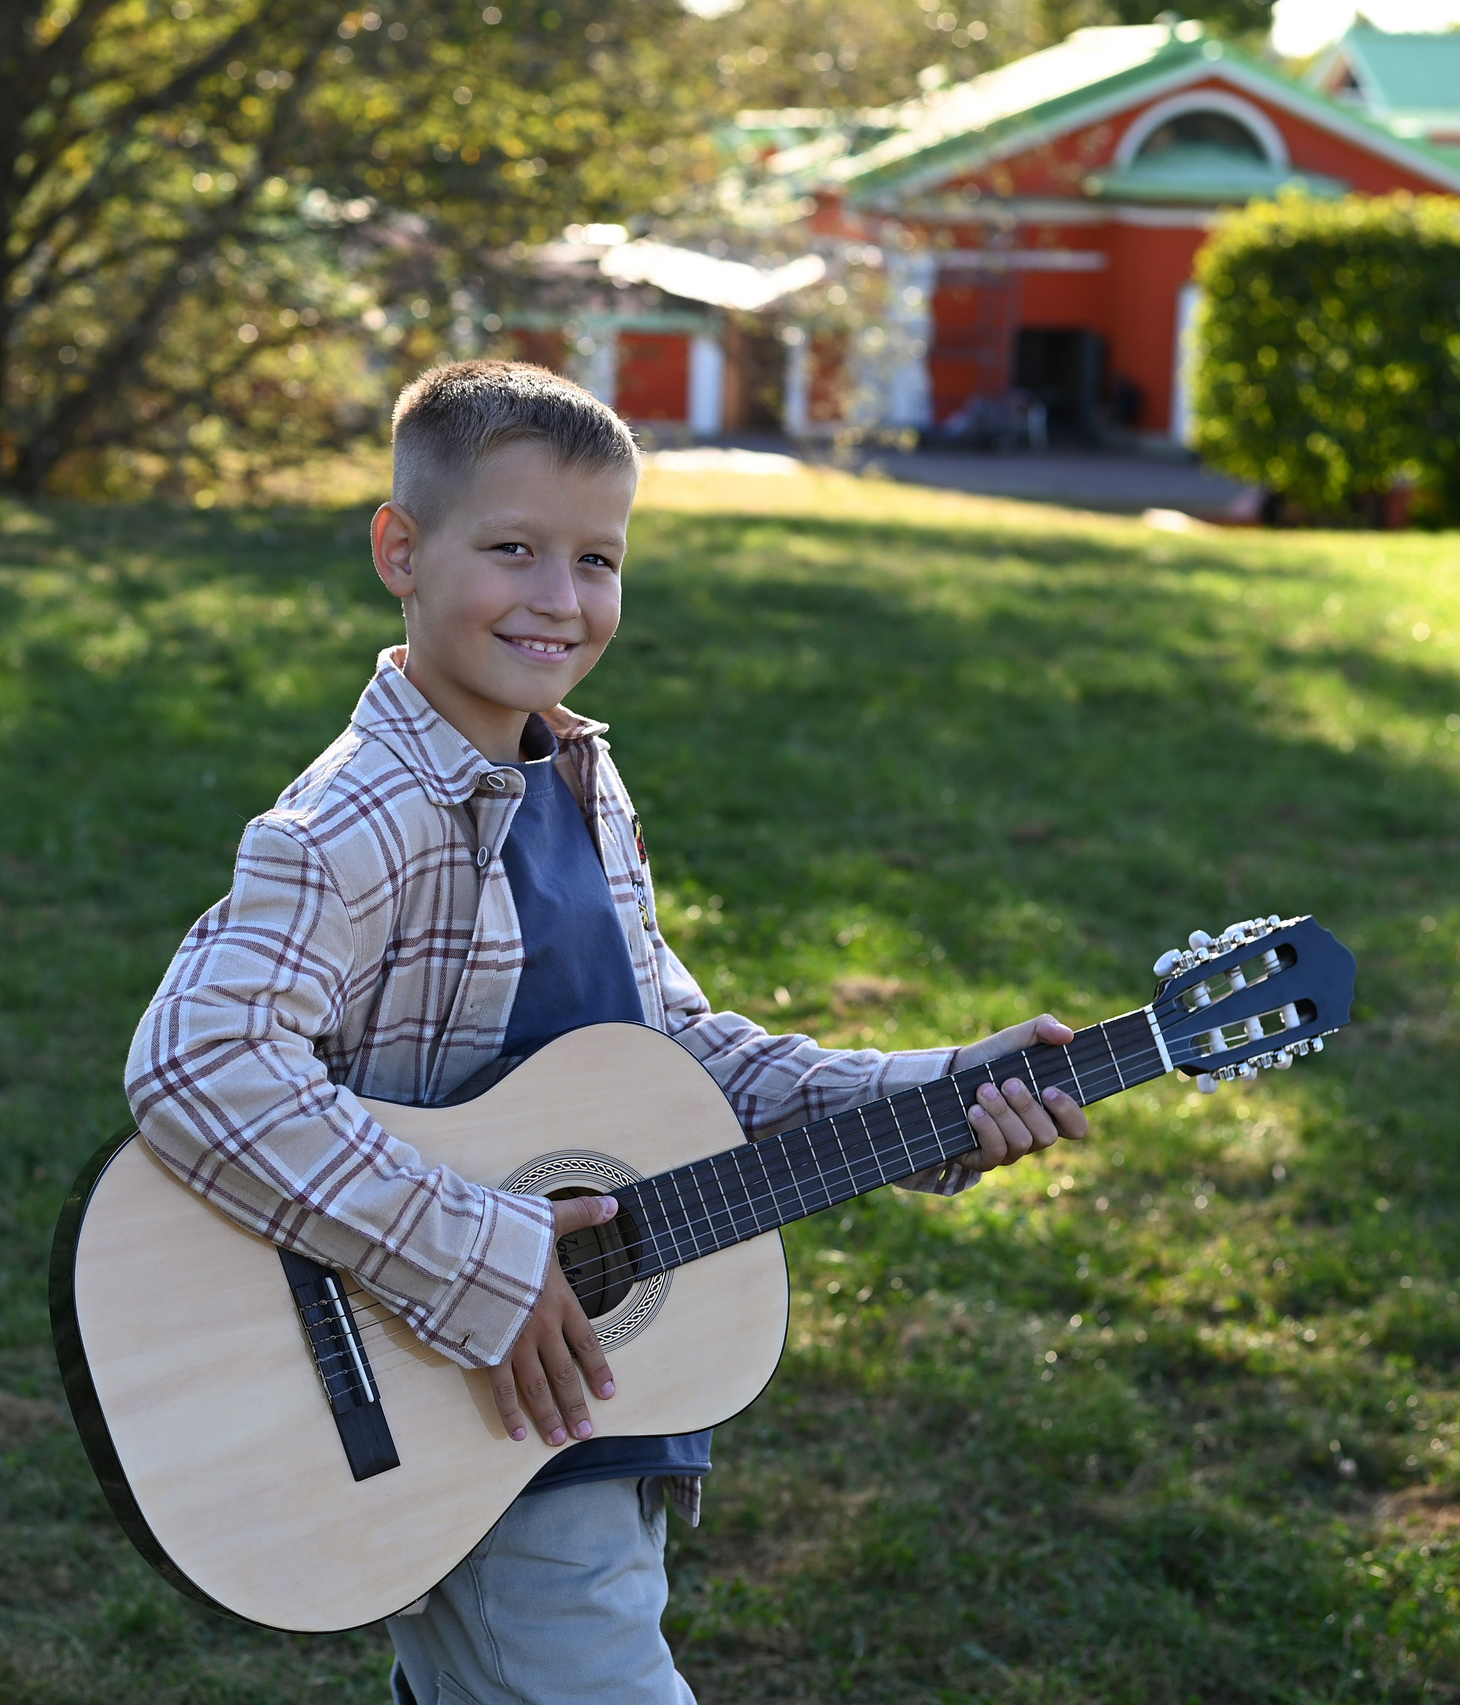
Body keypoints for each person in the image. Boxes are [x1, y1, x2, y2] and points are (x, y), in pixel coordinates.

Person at [124, 361, 1089, 1705]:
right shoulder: (352, 822)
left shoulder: (575, 775)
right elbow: (193, 1063)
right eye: (512, 548)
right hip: (472, 1381)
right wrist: (485, 1257)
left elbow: (677, 1050)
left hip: (524, 1415)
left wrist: (937, 1092)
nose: (560, 599)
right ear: (400, 549)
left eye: (598, 559)